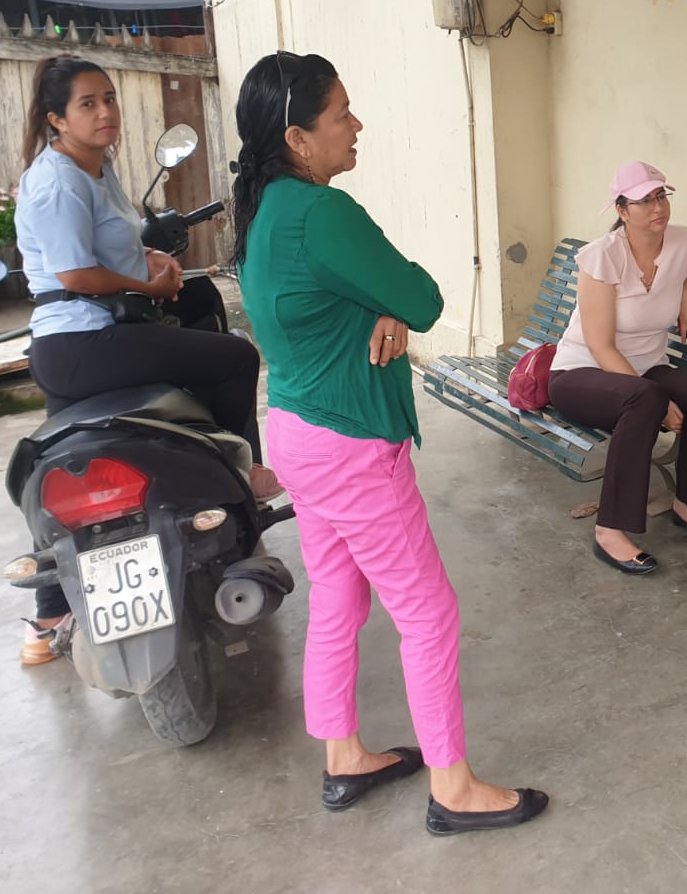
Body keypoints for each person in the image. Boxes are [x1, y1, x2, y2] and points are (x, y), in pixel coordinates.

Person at [232, 50, 547, 832]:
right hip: (350, 445)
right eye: (341, 114)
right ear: (298, 139)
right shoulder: (323, 213)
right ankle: (454, 788)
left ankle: (343, 755)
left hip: (296, 433)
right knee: (428, 612)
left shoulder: (265, 212)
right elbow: (424, 297)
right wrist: (394, 305)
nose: (357, 125)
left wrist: (382, 310)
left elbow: (336, 301)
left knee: (340, 596)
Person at [13, 55, 275, 666]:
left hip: (78, 345)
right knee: (235, 358)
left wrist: (149, 261)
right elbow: (76, 275)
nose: (105, 112)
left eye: (109, 98)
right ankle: (242, 484)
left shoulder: (94, 167)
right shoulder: (59, 183)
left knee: (64, 469)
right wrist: (151, 286)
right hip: (85, 344)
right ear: (56, 119)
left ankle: (47, 617)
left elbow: (114, 246)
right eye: (87, 104)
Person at [547, 161, 687, 575]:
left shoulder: (683, 242)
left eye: (660, 196)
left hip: (646, 371)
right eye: (643, 201)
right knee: (645, 398)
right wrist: (661, 403)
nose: (657, 207)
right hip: (580, 374)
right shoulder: (603, 257)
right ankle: (609, 530)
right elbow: (600, 345)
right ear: (622, 211)